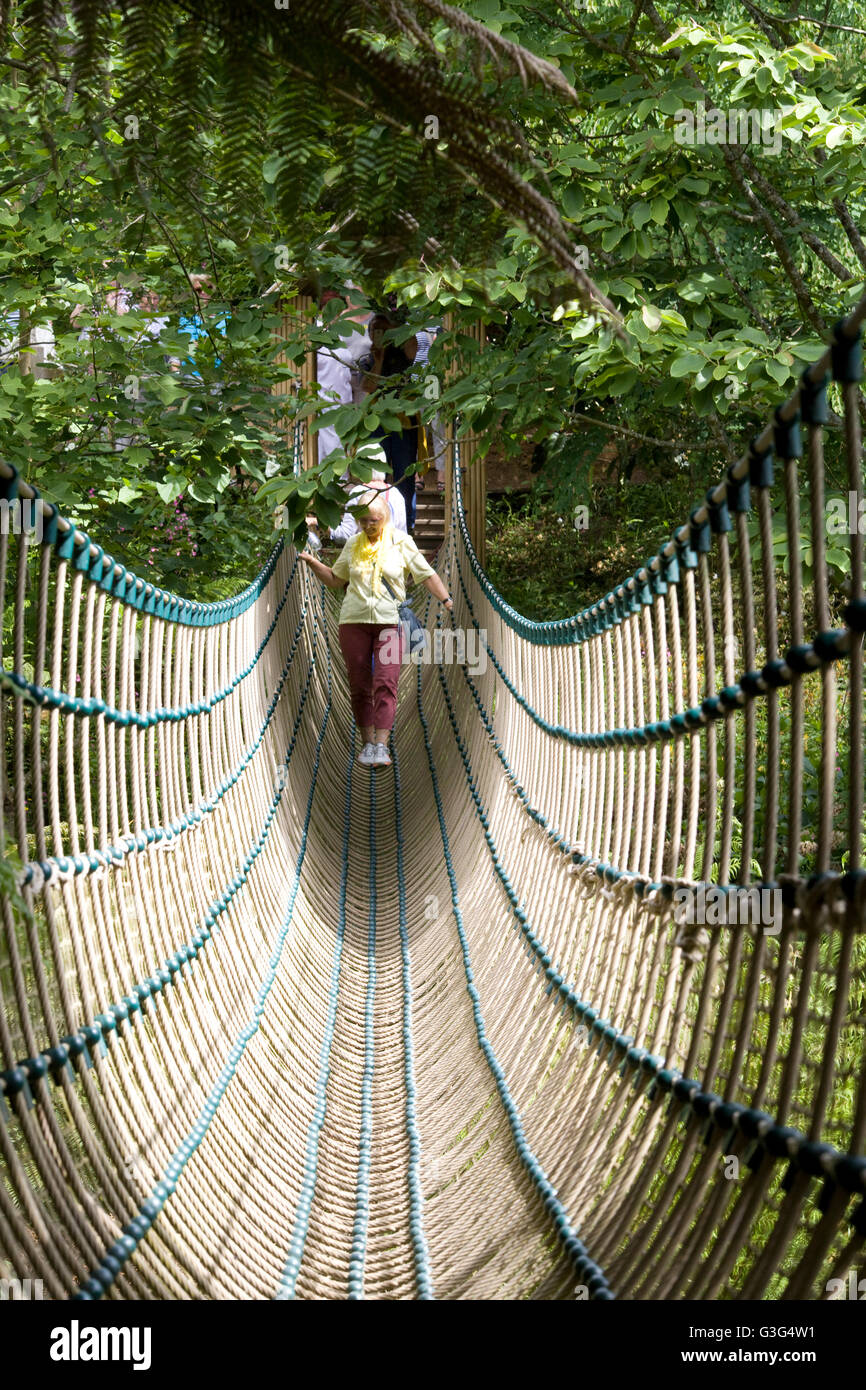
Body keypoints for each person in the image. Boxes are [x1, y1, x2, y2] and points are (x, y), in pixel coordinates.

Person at [298, 493, 453, 768]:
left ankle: (382, 745)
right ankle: (367, 743)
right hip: (353, 623)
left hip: (389, 623)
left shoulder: (400, 542)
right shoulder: (353, 545)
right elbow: (336, 579)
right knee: (359, 685)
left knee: (386, 682)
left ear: (386, 518)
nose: (369, 525)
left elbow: (426, 573)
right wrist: (313, 563)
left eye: (375, 520)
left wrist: (446, 599)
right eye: (364, 520)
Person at [359, 314, 420, 533]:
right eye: (375, 330)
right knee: (375, 470)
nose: (379, 333)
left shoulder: (404, 353)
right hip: (377, 420)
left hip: (404, 419)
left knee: (405, 470)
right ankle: (373, 518)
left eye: (382, 330)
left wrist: (393, 326)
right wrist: (379, 358)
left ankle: (407, 525)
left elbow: (413, 348)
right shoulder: (367, 359)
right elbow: (368, 386)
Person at [315, 287, 371, 465]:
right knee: (331, 434)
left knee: (340, 432)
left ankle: (343, 473)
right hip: (330, 396)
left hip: (344, 393)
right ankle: (339, 476)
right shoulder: (319, 336)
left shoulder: (335, 338)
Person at [317, 470, 407, 543]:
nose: (368, 526)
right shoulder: (396, 493)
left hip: (364, 556)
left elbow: (346, 535)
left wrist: (318, 522)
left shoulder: (358, 492)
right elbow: (403, 535)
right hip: (394, 556)